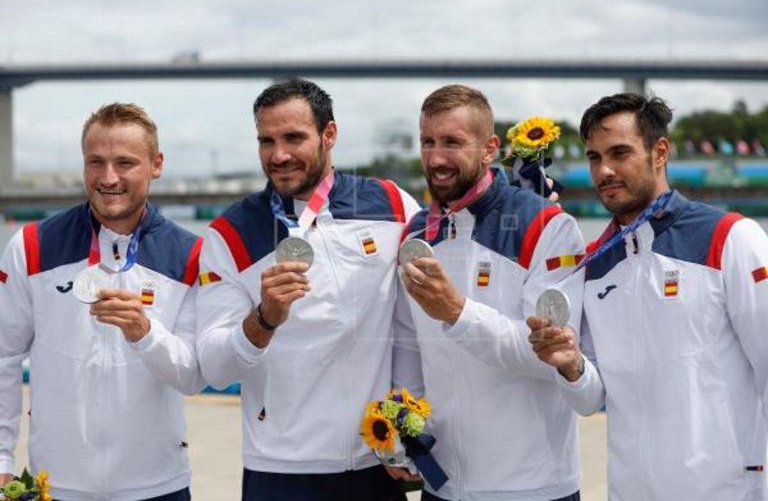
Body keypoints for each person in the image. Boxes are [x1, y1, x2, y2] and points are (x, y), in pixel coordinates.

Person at [528, 93, 768, 500]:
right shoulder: (593, 264)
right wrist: (569, 364)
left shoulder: (730, 238)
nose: (604, 170)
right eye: (594, 157)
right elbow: (591, 400)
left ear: (660, 152)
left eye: (620, 153)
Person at [195, 78, 421, 501]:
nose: (278, 155)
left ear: (329, 134)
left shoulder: (393, 204)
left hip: (377, 464)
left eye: (293, 138)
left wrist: (410, 431)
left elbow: (418, 322)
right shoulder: (230, 234)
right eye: (267, 141)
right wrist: (264, 321)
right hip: (282, 470)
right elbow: (215, 367)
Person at [0, 103, 205, 500]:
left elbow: (194, 376)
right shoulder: (31, 246)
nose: (108, 177)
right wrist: (1, 461)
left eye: (125, 162)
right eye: (96, 162)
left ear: (156, 164)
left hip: (157, 487)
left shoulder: (191, 254)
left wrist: (145, 334)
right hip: (55, 486)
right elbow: (4, 357)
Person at [393, 84, 586, 500]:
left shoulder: (548, 226)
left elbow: (549, 358)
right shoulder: (415, 233)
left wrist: (457, 313)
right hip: (441, 487)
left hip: (533, 488)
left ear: (490, 148)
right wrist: (403, 431)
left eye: (452, 143)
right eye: (428, 142)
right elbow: (408, 343)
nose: (437, 158)